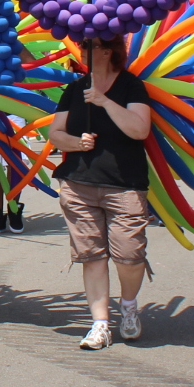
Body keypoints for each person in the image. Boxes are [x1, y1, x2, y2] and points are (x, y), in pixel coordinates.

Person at [47, 34, 155, 350]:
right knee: (91, 256)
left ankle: (129, 305)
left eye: (89, 46)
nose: (82, 51)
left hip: (124, 184)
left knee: (130, 256)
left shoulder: (131, 86)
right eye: (82, 46)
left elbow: (140, 129)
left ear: (107, 52)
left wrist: (105, 101)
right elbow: (55, 133)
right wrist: (75, 143)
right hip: (79, 183)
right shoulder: (74, 89)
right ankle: (100, 324)